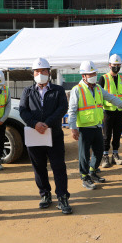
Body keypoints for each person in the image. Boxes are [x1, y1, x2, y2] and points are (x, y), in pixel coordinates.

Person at [68, 60, 122, 190]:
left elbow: (112, 98)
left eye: (94, 73)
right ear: (83, 76)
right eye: (90, 74)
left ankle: (92, 171)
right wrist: (73, 128)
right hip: (84, 128)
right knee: (84, 154)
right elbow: (72, 111)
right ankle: (85, 176)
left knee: (99, 152)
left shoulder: (98, 88)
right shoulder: (77, 90)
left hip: (98, 126)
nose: (93, 75)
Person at [19, 58, 71, 214]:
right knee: (39, 167)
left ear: (49, 72)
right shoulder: (27, 91)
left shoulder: (58, 90)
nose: (39, 74)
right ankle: (45, 194)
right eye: (36, 71)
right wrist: (35, 124)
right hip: (34, 136)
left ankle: (62, 196)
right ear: (33, 74)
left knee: (58, 166)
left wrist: (47, 123)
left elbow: (62, 108)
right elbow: (23, 110)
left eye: (42, 71)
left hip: (53, 134)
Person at [99, 54, 122, 168]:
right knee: (106, 135)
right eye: (114, 65)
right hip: (107, 111)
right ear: (109, 65)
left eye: (118, 65)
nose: (116, 67)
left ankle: (115, 155)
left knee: (117, 134)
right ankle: (105, 157)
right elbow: (99, 95)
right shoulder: (103, 78)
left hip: (119, 111)